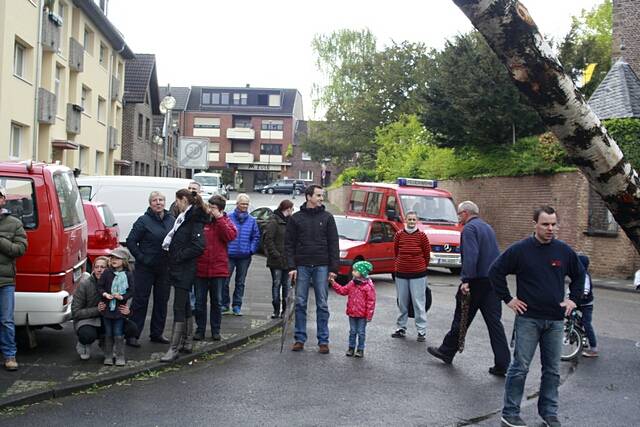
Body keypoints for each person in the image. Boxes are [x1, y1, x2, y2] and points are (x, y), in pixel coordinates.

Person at [489, 206, 584, 427]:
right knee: (520, 367)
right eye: (545, 224)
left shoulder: (563, 251)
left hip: (555, 320)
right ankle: (510, 412)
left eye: (553, 224)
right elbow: (495, 271)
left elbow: (580, 275)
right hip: (528, 319)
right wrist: (508, 299)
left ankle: (549, 412)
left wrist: (573, 300)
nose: (550, 228)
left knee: (551, 370)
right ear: (535, 225)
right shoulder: (520, 250)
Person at [427, 201, 510, 375]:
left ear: (465, 213)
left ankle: (447, 350)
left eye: (459, 214)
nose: (458, 218)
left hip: (476, 281)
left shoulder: (470, 229)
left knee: (462, 317)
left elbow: (472, 255)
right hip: (492, 282)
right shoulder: (487, 228)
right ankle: (503, 363)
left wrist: (466, 280)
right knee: (495, 323)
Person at [285, 184, 339, 354]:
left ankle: (323, 341)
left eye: (322, 196)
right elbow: (289, 245)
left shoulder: (328, 217)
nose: (321, 198)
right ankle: (299, 339)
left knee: (322, 304)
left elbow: (334, 244)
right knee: (300, 303)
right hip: (302, 265)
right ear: (308, 197)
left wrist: (333, 269)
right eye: (318, 195)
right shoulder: (296, 218)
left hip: (322, 265)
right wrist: (291, 266)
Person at [161, 189, 208, 362]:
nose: (176, 205)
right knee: (186, 304)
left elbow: (199, 246)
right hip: (180, 268)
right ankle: (187, 341)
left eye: (177, 201)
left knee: (179, 307)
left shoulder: (193, 220)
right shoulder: (185, 218)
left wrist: (178, 256)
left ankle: (173, 349)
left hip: (184, 269)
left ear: (183, 200)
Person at [125, 191, 175, 347]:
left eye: (161, 200)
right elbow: (131, 241)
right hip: (145, 268)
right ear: (150, 203)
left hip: (165, 268)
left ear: (165, 202)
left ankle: (157, 333)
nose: (158, 203)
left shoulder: (172, 220)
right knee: (140, 301)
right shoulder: (143, 221)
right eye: (155, 200)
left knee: (162, 301)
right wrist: (142, 258)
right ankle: (132, 335)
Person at [72, 256, 133, 360]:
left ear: (109, 269)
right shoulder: (85, 284)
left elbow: (125, 303)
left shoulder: (118, 282)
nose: (99, 270)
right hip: (88, 320)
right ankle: (84, 343)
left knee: (131, 329)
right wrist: (97, 310)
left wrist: (128, 312)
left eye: (103, 267)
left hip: (110, 318)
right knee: (87, 335)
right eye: (96, 267)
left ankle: (105, 342)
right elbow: (75, 312)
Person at [194, 195, 237, 341]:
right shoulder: (202, 221)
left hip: (218, 269)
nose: (210, 210)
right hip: (200, 269)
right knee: (199, 302)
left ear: (220, 209)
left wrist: (219, 219)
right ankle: (199, 329)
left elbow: (230, 236)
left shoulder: (226, 221)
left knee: (216, 302)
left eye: (213, 208)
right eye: (209, 207)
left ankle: (216, 330)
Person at [391, 211, 431, 342]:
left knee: (419, 303)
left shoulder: (422, 236)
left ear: (417, 221)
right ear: (405, 220)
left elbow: (426, 254)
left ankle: (421, 331)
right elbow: (396, 252)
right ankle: (401, 328)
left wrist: (421, 267)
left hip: (418, 274)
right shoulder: (399, 235)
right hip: (401, 273)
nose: (412, 222)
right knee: (402, 302)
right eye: (410, 219)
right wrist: (400, 264)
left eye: (414, 219)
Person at [0, 187, 28, 371]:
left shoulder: (14, 223)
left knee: (6, 321)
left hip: (5, 281)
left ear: (3, 200)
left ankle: (10, 356)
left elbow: (20, 249)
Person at [222, 193, 260, 316]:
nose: (244, 206)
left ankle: (237, 306)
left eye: (246, 204)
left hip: (244, 256)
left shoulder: (252, 221)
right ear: (237, 204)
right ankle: (224, 305)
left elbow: (256, 237)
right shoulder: (228, 217)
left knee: (241, 282)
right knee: (225, 281)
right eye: (242, 203)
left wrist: (251, 250)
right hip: (229, 255)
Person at [329, 260, 376, 358]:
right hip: (352, 313)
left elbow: (371, 302)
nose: (352, 272)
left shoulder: (368, 287)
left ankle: (360, 349)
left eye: (355, 271)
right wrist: (334, 283)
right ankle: (351, 348)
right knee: (353, 331)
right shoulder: (352, 283)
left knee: (361, 332)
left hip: (362, 315)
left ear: (362, 273)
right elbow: (343, 290)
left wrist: (369, 315)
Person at [98, 248, 135, 366]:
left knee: (118, 332)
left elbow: (131, 291)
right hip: (107, 309)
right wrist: (105, 294)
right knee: (108, 332)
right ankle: (108, 355)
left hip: (119, 309)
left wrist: (122, 297)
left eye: (117, 258)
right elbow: (100, 287)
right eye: (112, 258)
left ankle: (120, 356)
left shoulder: (128, 275)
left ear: (124, 261)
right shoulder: (107, 273)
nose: (113, 260)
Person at [263, 199, 294, 319]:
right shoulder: (274, 221)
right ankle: (276, 309)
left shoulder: (290, 222)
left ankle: (284, 310)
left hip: (287, 260)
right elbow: (268, 240)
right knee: (276, 284)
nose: (292, 211)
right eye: (292, 208)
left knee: (286, 285)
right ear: (287, 209)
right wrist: (275, 254)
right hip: (276, 260)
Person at [577, 254, 598, 358]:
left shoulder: (584, 275)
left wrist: (575, 298)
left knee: (586, 323)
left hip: (586, 304)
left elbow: (585, 291)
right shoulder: (577, 274)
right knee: (576, 320)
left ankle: (594, 349)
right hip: (579, 302)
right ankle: (581, 339)